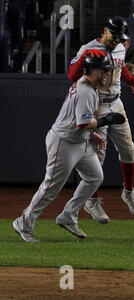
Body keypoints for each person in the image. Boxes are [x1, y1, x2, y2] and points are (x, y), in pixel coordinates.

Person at [13, 55, 126, 242]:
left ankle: (68, 216)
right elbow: (83, 123)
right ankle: (23, 223)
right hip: (63, 142)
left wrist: (92, 134)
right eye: (104, 70)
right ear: (93, 71)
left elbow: (79, 121)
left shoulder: (88, 86)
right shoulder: (86, 91)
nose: (107, 74)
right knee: (51, 187)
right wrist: (105, 121)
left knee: (95, 177)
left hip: (79, 140)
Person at [68, 16, 134, 223]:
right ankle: (91, 200)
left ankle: (128, 191)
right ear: (105, 30)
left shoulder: (120, 48)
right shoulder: (88, 47)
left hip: (116, 102)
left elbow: (121, 68)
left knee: (128, 149)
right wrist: (85, 56)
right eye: (114, 35)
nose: (117, 40)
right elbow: (71, 75)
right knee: (96, 156)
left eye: (121, 37)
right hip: (95, 105)